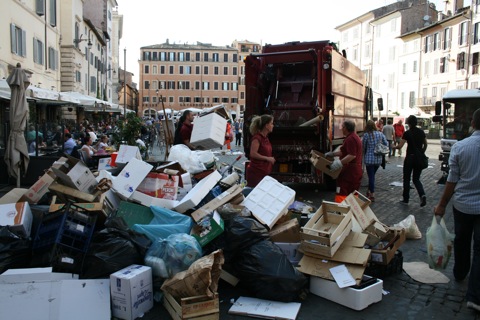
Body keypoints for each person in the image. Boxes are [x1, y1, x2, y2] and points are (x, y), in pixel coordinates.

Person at [433, 109, 480, 312]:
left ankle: (461, 272)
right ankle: (475, 297)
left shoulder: (461, 147)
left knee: (461, 240)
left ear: (473, 122)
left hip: (462, 205)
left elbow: (452, 180)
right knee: (479, 249)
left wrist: (442, 204)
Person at [325, 119, 363, 203]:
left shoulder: (350, 139)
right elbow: (345, 152)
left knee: (342, 191)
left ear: (346, 128)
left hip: (349, 171)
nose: (341, 129)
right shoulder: (354, 137)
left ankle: (341, 212)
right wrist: (333, 154)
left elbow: (352, 155)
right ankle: (351, 211)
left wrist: (339, 163)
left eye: (342, 127)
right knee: (353, 193)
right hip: (355, 171)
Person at [393, 115, 427, 206]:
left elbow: (400, 146)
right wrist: (421, 152)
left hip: (409, 158)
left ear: (409, 123)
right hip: (418, 159)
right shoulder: (421, 132)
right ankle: (422, 195)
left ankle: (406, 198)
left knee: (407, 179)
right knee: (416, 179)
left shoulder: (407, 133)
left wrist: (394, 147)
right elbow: (425, 144)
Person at [246, 114, 275, 188]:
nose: (273, 125)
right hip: (256, 173)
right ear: (266, 125)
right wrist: (267, 158)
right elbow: (253, 154)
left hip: (264, 172)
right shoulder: (257, 138)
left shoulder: (265, 138)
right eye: (271, 123)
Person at [362, 120, 388, 201]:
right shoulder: (380, 134)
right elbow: (386, 143)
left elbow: (363, 145)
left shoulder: (366, 135)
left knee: (371, 177)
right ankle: (369, 191)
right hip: (378, 159)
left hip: (369, 159)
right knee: (372, 176)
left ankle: (372, 193)